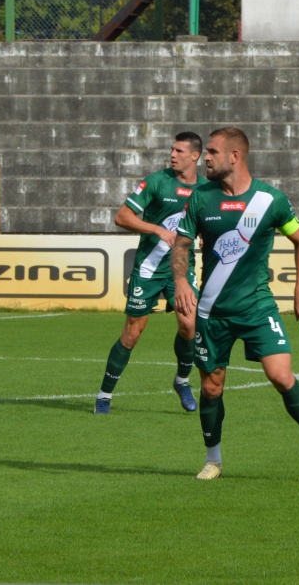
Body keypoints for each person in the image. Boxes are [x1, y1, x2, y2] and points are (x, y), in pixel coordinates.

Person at [171, 127, 299, 483]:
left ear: (235, 157)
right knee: (210, 388)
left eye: (213, 153)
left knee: (282, 376)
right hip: (212, 313)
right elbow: (181, 245)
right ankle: (213, 459)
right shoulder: (200, 198)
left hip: (257, 308)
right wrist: (179, 282)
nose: (206, 157)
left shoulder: (270, 200)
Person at [94, 132, 206, 414]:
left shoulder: (207, 189)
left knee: (189, 324)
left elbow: (208, 221)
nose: (172, 154)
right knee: (133, 333)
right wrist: (157, 229)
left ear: (195, 156)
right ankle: (104, 395)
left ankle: (182, 381)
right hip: (149, 268)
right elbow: (122, 217)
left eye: (179, 150)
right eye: (172, 149)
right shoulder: (157, 182)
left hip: (181, 269)